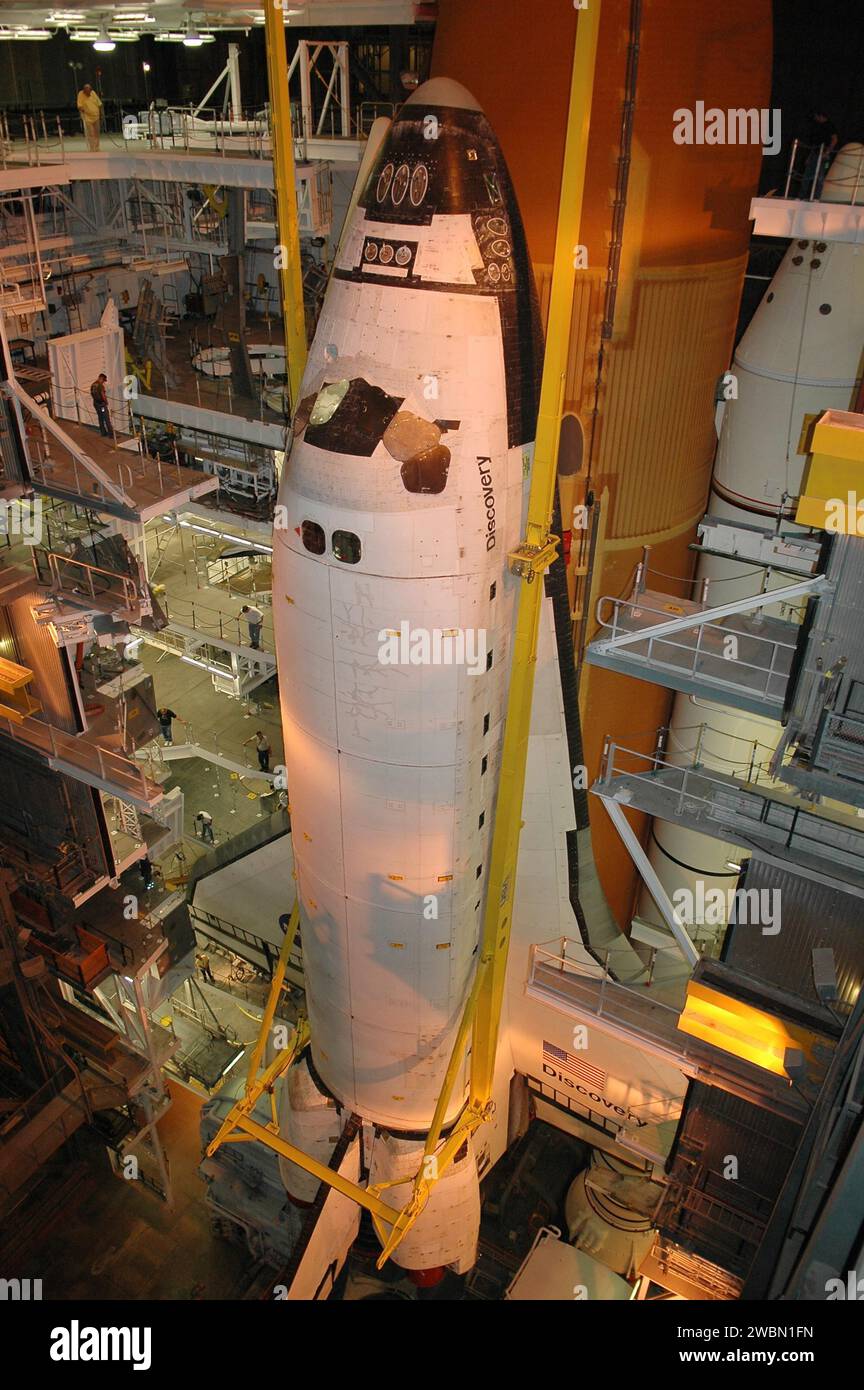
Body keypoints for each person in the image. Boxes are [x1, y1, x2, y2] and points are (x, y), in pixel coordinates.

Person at [77, 83, 103, 151]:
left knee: (97, 133)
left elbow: (99, 104)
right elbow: (79, 106)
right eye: (87, 91)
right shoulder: (80, 94)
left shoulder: (93, 93)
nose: (89, 92)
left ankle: (97, 147)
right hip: (88, 117)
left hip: (96, 116)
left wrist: (101, 114)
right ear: (84, 91)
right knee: (91, 133)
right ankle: (92, 148)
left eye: (90, 90)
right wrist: (86, 111)